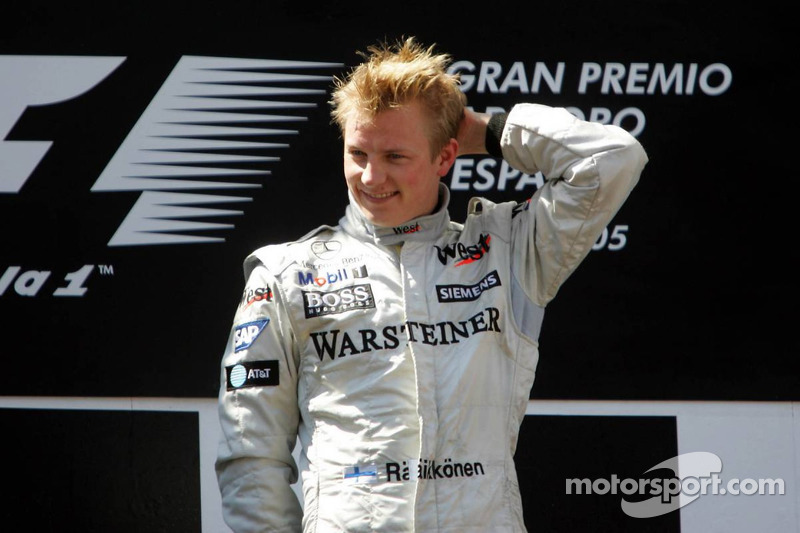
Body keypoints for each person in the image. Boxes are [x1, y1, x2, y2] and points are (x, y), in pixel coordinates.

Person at [215, 37, 648, 532]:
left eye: (396, 156)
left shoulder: (509, 252)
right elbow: (250, 456)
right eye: (357, 152)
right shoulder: (285, 275)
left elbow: (614, 158)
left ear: (446, 157)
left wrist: (489, 131)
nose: (370, 176)